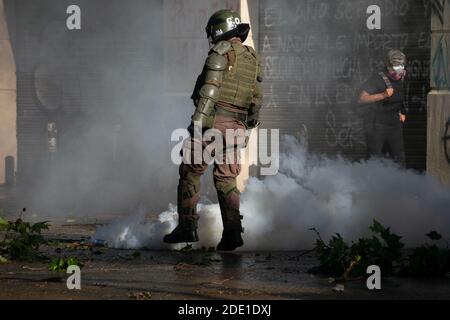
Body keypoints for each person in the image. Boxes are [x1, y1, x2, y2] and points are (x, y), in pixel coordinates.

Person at [163, 9, 262, 251]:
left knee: (189, 170)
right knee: (227, 179)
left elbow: (210, 90)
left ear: (219, 31)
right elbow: (256, 99)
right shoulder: (252, 58)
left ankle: (187, 228)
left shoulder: (220, 52)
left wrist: (198, 124)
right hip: (236, 126)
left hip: (214, 122)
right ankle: (232, 234)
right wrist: (247, 127)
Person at [358, 49, 408, 166]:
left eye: (401, 65)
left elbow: (398, 98)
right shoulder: (377, 79)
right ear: (388, 65)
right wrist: (383, 95)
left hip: (395, 125)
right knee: (375, 159)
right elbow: (362, 98)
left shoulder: (401, 79)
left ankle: (399, 182)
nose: (399, 68)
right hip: (377, 125)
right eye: (396, 65)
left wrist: (400, 112)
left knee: (399, 159)